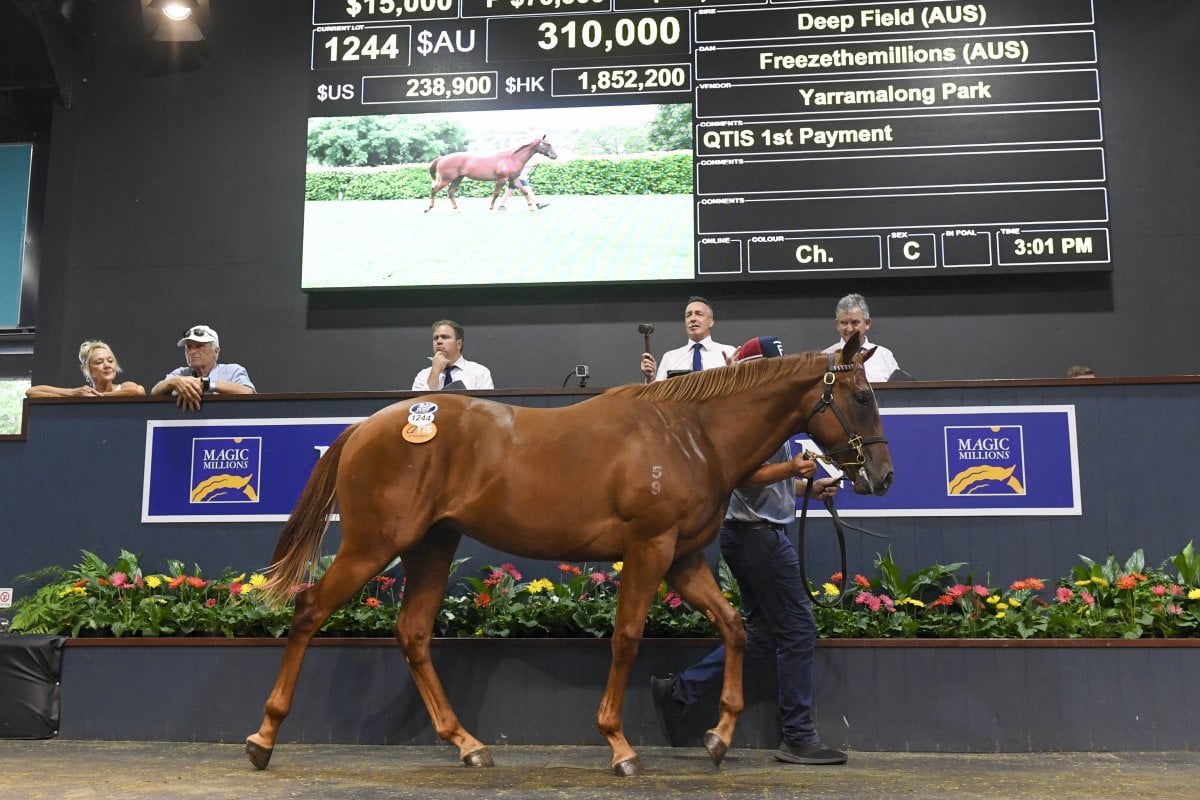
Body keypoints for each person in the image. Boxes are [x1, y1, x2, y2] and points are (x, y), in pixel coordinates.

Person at [651, 335, 847, 766]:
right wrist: (791, 467)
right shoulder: (745, 419)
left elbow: (765, 480)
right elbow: (740, 475)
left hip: (751, 534)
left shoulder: (764, 415)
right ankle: (797, 736)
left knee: (759, 636)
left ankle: (682, 689)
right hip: (758, 537)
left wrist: (807, 486)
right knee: (797, 630)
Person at [150, 324, 255, 412]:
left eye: (199, 346)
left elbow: (248, 392)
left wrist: (206, 383)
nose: (192, 351)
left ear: (216, 351)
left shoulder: (232, 371)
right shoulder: (181, 373)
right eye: (189, 347)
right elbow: (155, 392)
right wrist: (173, 382)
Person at [640, 296, 737, 383]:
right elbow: (657, 397)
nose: (693, 319)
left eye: (699, 314)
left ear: (710, 322)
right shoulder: (670, 358)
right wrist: (651, 378)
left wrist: (734, 374)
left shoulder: (729, 352)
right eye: (688, 315)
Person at [822, 293, 900, 383]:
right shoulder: (825, 357)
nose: (849, 329)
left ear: (867, 323)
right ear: (837, 325)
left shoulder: (884, 355)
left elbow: (898, 393)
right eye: (844, 323)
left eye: (855, 322)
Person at [26, 339, 146, 398]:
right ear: (85, 369)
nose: (107, 365)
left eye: (110, 361)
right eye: (99, 362)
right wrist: (73, 393)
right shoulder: (82, 394)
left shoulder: (123, 387)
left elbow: (138, 391)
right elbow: (32, 392)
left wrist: (99, 397)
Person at [412, 319, 494, 391]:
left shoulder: (479, 372)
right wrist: (435, 372)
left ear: (459, 344)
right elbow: (420, 405)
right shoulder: (423, 375)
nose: (439, 341)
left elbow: (486, 406)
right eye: (435, 338)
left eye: (445, 337)